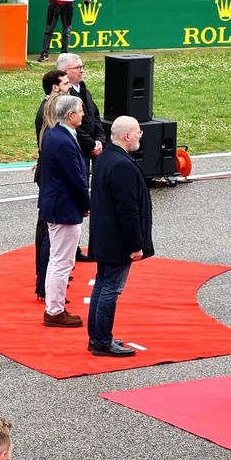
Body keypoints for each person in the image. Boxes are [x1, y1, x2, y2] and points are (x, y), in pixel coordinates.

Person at [87, 115, 152, 358]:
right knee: (110, 288)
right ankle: (102, 341)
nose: (140, 136)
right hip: (117, 240)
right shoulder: (122, 164)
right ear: (127, 135)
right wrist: (136, 244)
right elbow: (128, 210)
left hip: (105, 235)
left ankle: (96, 336)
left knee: (102, 284)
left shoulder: (105, 157)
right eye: (137, 132)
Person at [38, 93, 89, 328]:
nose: (83, 114)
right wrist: (86, 204)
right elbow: (76, 178)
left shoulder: (54, 134)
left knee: (57, 260)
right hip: (64, 208)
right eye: (80, 111)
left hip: (57, 205)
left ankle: (54, 307)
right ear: (70, 115)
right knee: (62, 262)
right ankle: (55, 310)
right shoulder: (63, 141)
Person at [32, 68, 64, 300]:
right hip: (51, 178)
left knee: (50, 230)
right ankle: (43, 283)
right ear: (55, 87)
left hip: (50, 175)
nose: (69, 87)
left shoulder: (51, 109)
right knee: (46, 231)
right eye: (65, 84)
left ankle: (48, 281)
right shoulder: (47, 112)